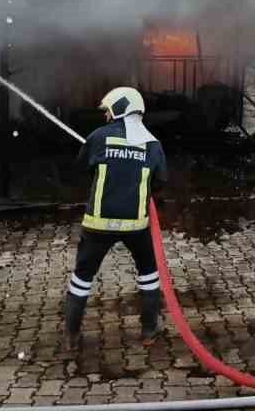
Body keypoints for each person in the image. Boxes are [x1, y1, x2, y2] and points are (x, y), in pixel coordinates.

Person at [63, 87, 169, 351]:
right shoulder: (153, 144)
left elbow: (79, 169)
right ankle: (148, 331)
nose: (107, 116)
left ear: (120, 108)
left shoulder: (99, 138)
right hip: (136, 225)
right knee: (148, 275)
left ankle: (71, 336)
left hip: (98, 225)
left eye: (109, 111)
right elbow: (160, 181)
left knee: (82, 278)